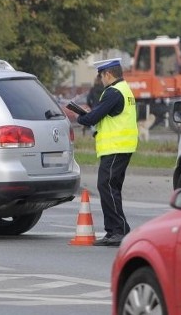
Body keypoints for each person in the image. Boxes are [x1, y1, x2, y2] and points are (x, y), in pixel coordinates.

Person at [76, 58, 139, 247]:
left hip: (116, 147)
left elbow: (94, 117)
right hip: (123, 147)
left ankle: (118, 231)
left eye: (101, 76)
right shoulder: (125, 89)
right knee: (112, 188)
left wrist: (81, 117)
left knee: (106, 186)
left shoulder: (112, 92)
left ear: (108, 74)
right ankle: (117, 230)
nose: (101, 80)